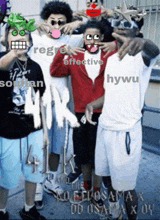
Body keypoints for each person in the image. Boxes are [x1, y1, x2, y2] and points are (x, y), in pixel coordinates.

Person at [85, 3, 159, 219]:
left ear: (137, 31)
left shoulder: (143, 56)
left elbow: (154, 50)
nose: (122, 28)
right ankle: (114, 210)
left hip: (126, 132)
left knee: (126, 187)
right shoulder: (112, 60)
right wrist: (93, 104)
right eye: (119, 24)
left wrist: (143, 42)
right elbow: (111, 93)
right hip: (105, 128)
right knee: (107, 177)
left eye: (129, 25)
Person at [50, 20, 117, 215]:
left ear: (102, 38)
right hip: (80, 113)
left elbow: (133, 49)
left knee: (98, 157)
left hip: (102, 113)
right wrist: (62, 51)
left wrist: (117, 44)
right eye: (88, 36)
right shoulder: (76, 57)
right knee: (83, 154)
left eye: (96, 36)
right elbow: (55, 70)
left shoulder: (109, 55)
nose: (92, 40)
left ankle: (96, 192)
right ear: (84, 38)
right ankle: (86, 187)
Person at [29, 0, 84, 208]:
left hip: (61, 103)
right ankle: (37, 183)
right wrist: (35, 24)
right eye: (53, 21)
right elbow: (12, 27)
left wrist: (79, 23)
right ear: (47, 20)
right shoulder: (35, 37)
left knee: (57, 145)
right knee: (39, 143)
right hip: (39, 101)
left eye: (61, 22)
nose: (57, 26)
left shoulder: (73, 39)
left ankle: (51, 179)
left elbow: (99, 31)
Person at [0, 17, 47, 220]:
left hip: (33, 129)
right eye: (13, 33)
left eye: (23, 33)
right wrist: (14, 51)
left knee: (33, 171)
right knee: (7, 175)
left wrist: (45, 132)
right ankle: (1, 211)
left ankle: (29, 208)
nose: (18, 36)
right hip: (7, 131)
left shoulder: (36, 68)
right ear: (5, 40)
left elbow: (40, 100)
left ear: (30, 40)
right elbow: (2, 66)